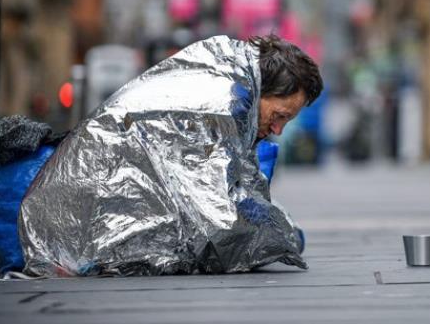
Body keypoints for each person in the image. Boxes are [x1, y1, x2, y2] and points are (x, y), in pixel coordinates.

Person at [16, 35, 322, 276]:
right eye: (280, 115)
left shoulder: (232, 82)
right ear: (264, 90)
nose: (279, 130)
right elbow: (220, 225)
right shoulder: (223, 102)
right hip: (66, 231)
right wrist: (284, 237)